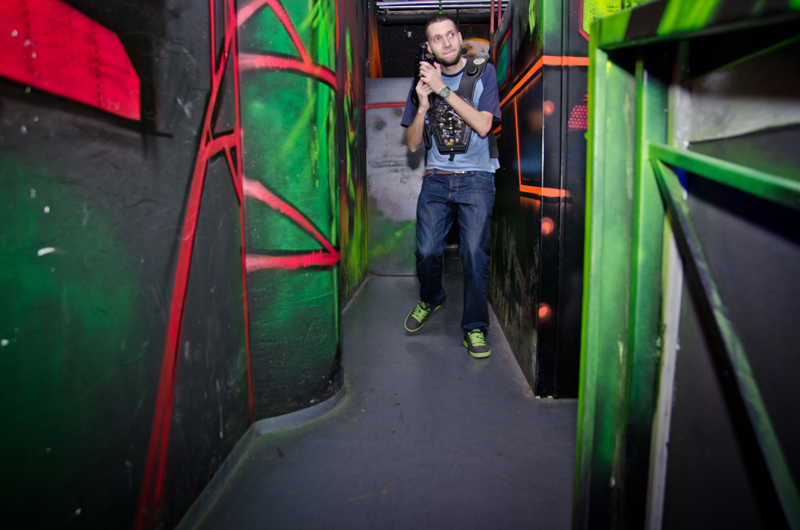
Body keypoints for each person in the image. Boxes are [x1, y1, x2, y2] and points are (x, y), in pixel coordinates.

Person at [400, 13, 500, 359]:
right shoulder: (422, 82)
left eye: (450, 35)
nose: (445, 43)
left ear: (460, 38)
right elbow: (413, 144)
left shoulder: (483, 72)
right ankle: (431, 298)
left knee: (474, 255)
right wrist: (422, 106)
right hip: (437, 179)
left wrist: (443, 89)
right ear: (429, 47)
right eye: (437, 38)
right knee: (427, 251)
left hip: (477, 178)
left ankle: (474, 327)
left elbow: (484, 125)